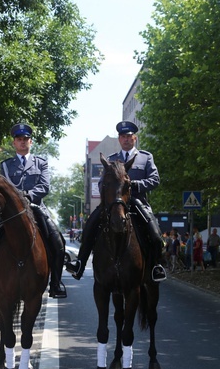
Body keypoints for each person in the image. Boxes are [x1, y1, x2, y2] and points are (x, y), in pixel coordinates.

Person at [0, 123, 67, 299]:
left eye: (26, 139)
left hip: (36, 208)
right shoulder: (6, 166)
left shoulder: (41, 163)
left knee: (57, 242)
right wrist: (17, 200)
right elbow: (5, 188)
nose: (23, 142)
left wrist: (28, 196)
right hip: (10, 212)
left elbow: (44, 186)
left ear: (31, 142)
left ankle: (56, 284)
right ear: (14, 143)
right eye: (19, 140)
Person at [66, 120, 166, 282]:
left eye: (129, 136)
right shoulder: (111, 160)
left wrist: (135, 185)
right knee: (90, 226)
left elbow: (155, 180)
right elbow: (101, 182)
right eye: (123, 136)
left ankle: (157, 266)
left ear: (135, 139)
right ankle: (80, 263)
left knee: (154, 233)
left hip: (137, 203)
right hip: (114, 204)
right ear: (119, 139)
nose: (126, 139)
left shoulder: (145, 158)